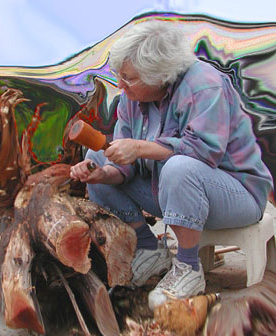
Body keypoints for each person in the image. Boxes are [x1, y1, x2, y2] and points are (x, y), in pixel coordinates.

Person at [70, 19, 273, 311]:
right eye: (119, 76)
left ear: (160, 73)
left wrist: (139, 148)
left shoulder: (204, 85)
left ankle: (188, 268)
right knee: (97, 159)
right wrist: (104, 174)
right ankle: (148, 248)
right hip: (170, 189)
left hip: (235, 193)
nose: (122, 86)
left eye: (130, 78)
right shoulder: (131, 97)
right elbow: (126, 166)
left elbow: (203, 152)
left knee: (179, 168)